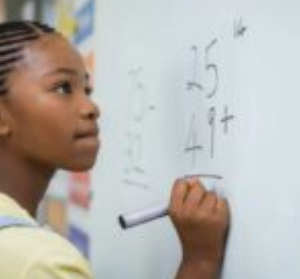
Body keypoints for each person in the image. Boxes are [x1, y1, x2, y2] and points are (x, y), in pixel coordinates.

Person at [0, 20, 229, 279]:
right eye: (63, 87)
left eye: (87, 90)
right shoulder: (42, 264)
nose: (91, 107)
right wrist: (199, 261)